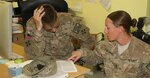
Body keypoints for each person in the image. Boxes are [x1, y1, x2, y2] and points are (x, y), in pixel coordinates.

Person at [68, 10, 150, 78]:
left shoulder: (145, 52)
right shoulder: (105, 46)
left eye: (108, 27)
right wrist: (81, 53)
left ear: (120, 29)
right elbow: (94, 58)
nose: (105, 31)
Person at [24, 4, 95, 60]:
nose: (54, 30)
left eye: (56, 26)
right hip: (45, 62)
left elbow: (89, 40)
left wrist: (81, 52)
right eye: (49, 29)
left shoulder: (68, 20)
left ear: (56, 13)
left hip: (67, 59)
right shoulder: (31, 25)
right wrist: (38, 30)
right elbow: (33, 55)